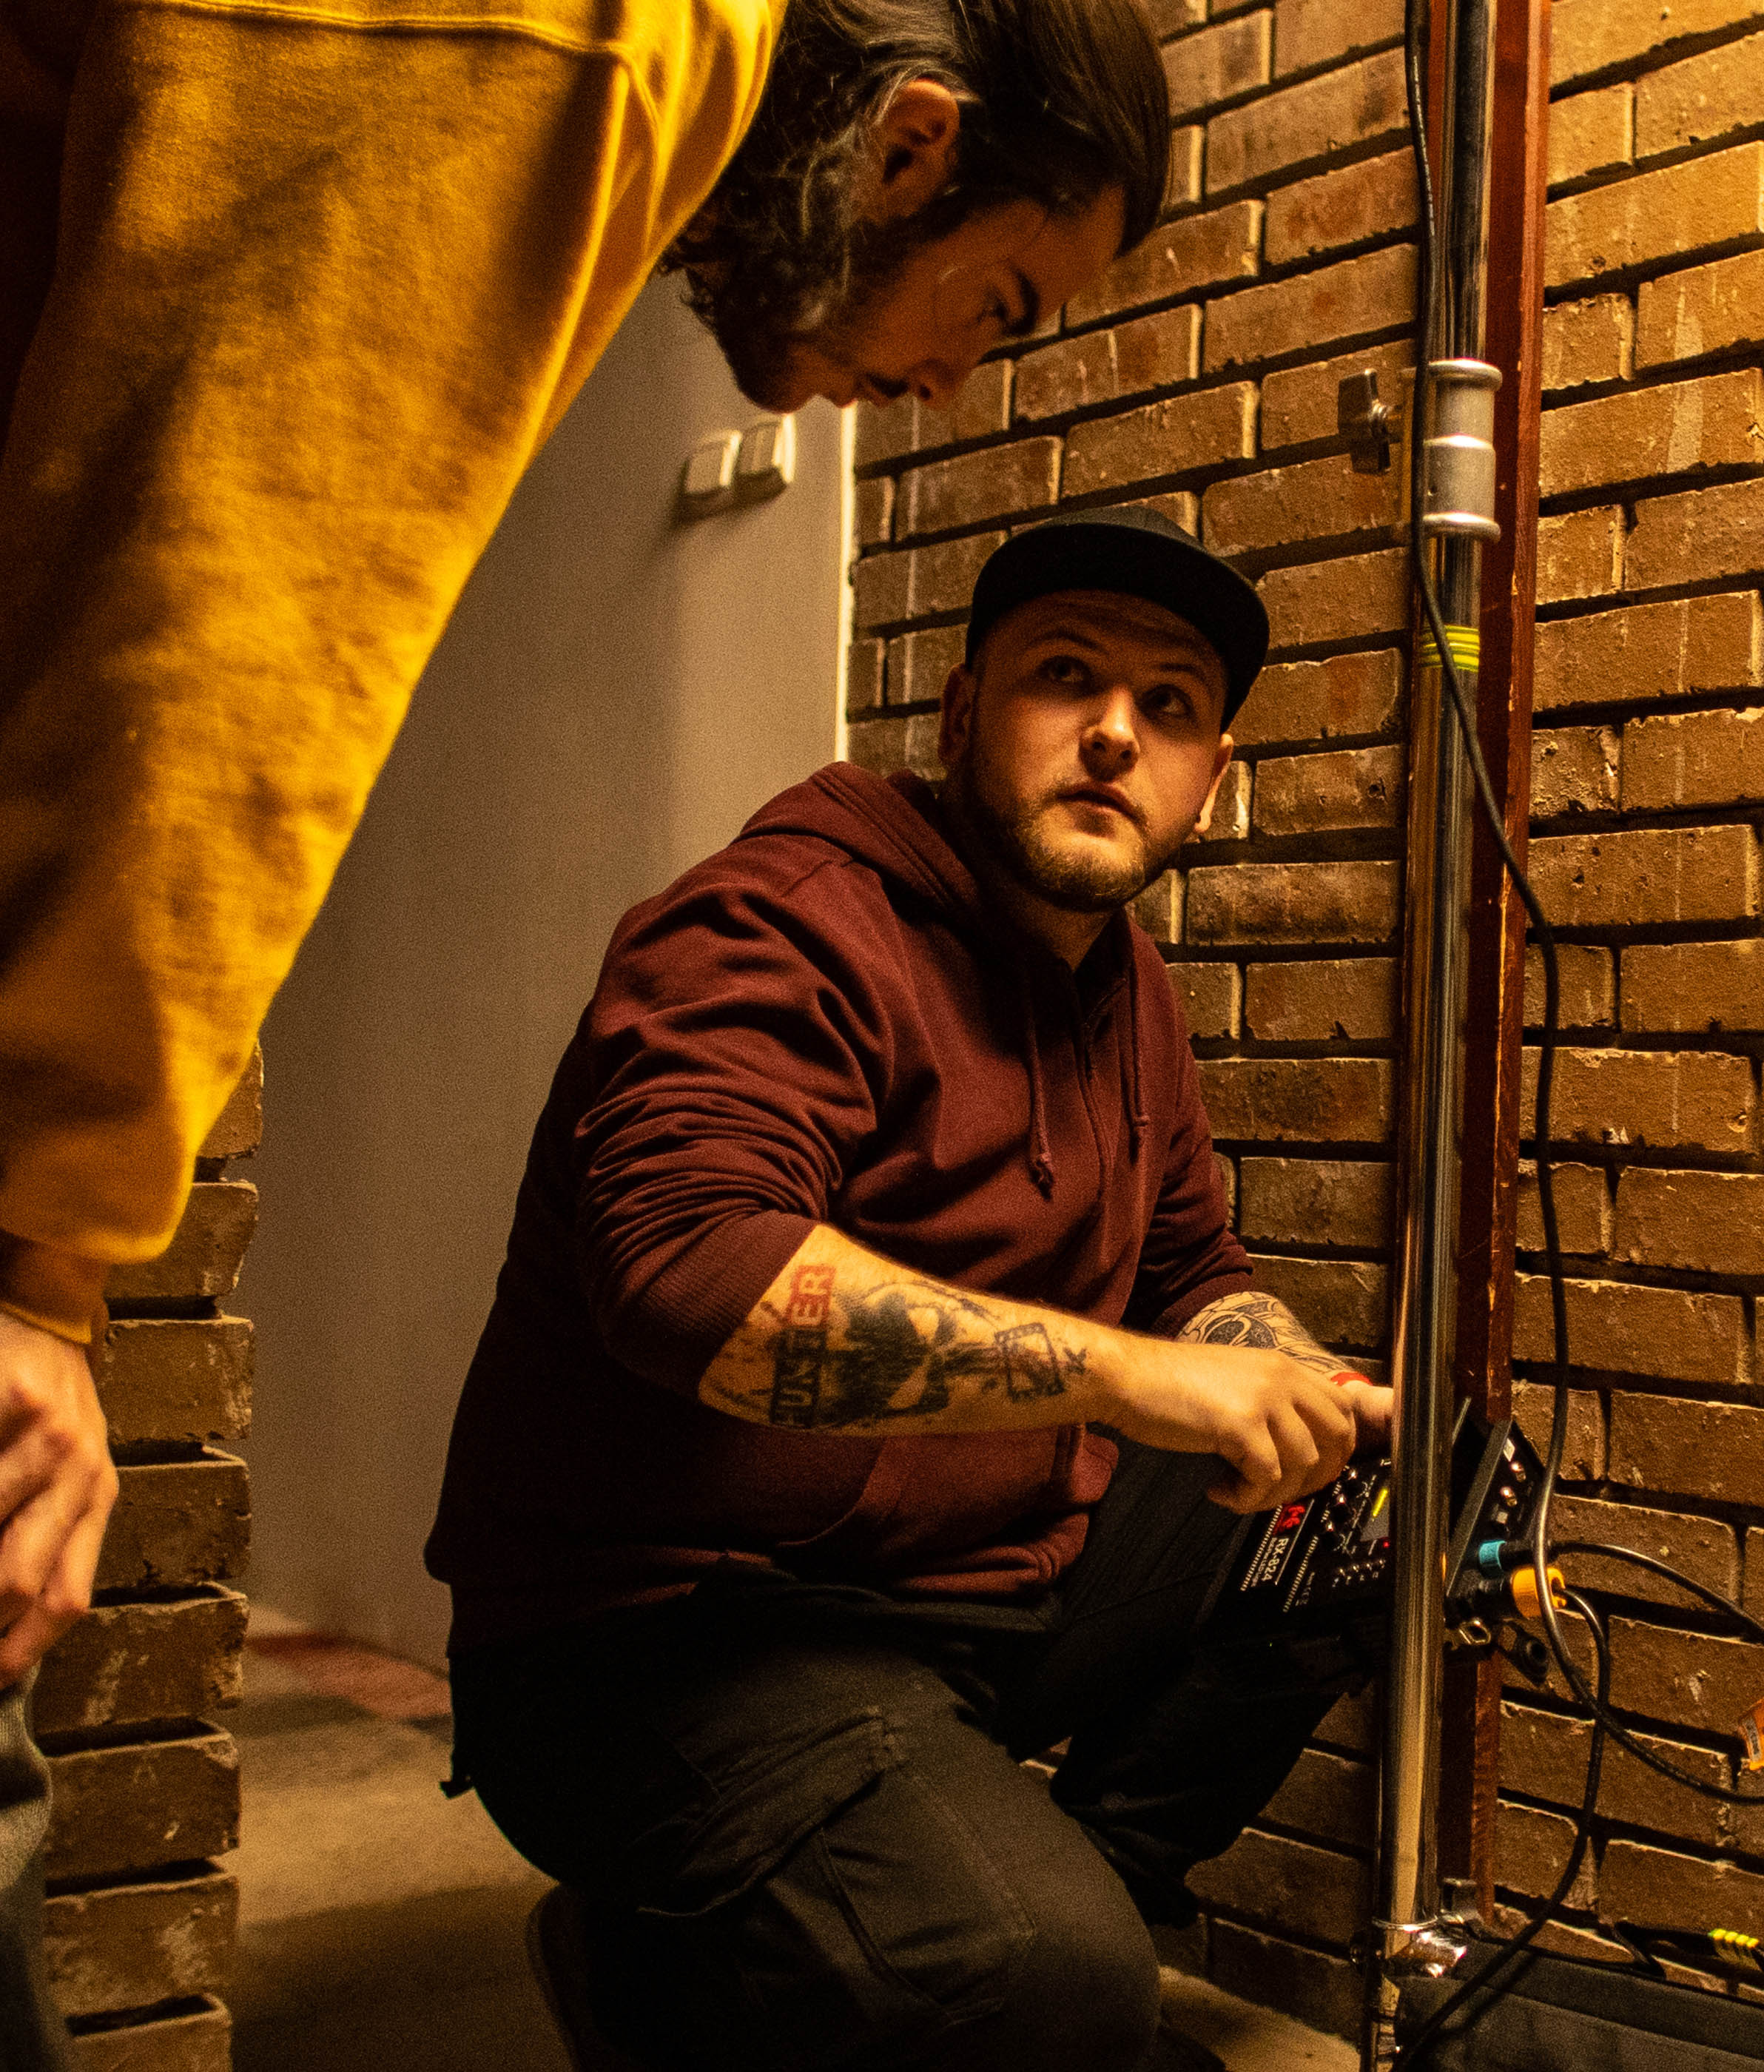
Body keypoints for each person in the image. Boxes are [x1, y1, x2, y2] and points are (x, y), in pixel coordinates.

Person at [0, 0, 1167, 2061]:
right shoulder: (577, 36)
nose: (948, 384)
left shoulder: (1120, 999)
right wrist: (39, 1263)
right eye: (996, 309)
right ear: (909, 145)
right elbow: (223, 620)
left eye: (1173, 714)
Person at [425, 507, 1387, 2072]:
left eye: (1169, 706)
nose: (1114, 733)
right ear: (958, 716)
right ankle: (772, 1968)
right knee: (1038, 1977)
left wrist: (1284, 1370)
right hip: (657, 1644)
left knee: (1387, 1500)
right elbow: (687, 1273)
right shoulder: (775, 921)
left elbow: (1192, 1270)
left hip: (965, 1599)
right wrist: (1129, 1376)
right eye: (1065, 676)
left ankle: (1042, 1931)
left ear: (1211, 780)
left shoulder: (1123, 986)